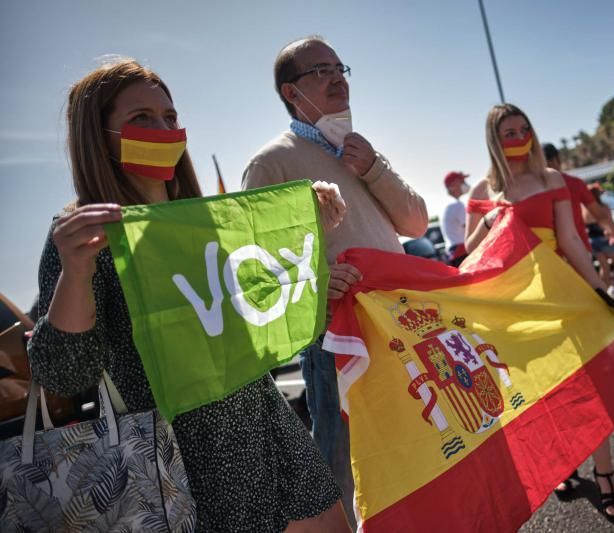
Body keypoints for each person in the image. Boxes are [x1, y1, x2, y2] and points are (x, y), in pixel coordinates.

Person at [26, 58, 351, 533]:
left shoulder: (206, 220)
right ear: (99, 137)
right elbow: (64, 372)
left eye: (170, 118)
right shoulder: (85, 234)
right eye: (142, 119)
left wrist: (307, 231)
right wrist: (75, 273)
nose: (164, 130)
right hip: (185, 468)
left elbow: (264, 325)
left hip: (272, 435)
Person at [242, 36, 428, 525]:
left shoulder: (361, 150)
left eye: (339, 67)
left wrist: (373, 168)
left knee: (416, 445)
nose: (337, 77)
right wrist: (320, 284)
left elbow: (415, 223)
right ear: (290, 92)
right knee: (341, 462)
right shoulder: (271, 164)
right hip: (334, 340)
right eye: (320, 70)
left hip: (399, 324)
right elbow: (255, 272)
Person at [465, 104, 614, 525]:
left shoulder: (551, 178)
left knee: (589, 387)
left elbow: (571, 239)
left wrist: (598, 290)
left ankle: (606, 474)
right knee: (545, 390)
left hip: (560, 294)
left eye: (524, 129)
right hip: (515, 305)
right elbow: (470, 251)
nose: (519, 137)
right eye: (509, 132)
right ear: (494, 141)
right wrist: (493, 218)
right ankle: (565, 462)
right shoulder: (483, 190)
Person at [542, 143, 614, 302]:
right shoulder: (573, 183)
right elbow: (599, 214)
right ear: (557, 158)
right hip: (578, 250)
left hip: (547, 255)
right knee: (587, 299)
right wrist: (612, 231)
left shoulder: (530, 188)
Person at [585, 185, 614, 303]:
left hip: (593, 241)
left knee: (604, 267)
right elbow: (610, 223)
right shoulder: (603, 208)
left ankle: (605, 292)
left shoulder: (584, 209)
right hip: (606, 239)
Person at [441, 170, 469, 266]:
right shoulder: (457, 205)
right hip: (461, 251)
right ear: (452, 186)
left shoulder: (448, 204)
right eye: (461, 182)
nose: (465, 184)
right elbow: (469, 228)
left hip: (453, 252)